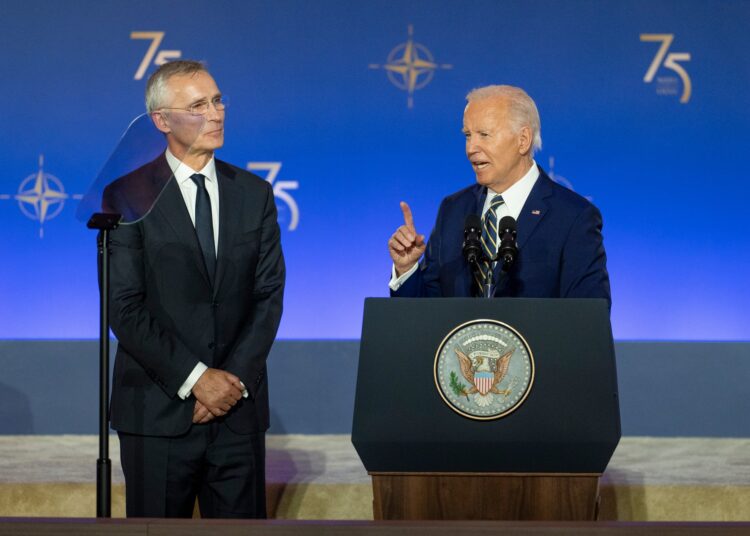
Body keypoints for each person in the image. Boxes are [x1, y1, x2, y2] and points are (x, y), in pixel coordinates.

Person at [103, 60, 285, 518]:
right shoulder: (127, 195)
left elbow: (268, 297)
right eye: (198, 105)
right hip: (158, 414)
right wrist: (196, 380)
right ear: (162, 121)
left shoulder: (254, 193)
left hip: (237, 415)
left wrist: (230, 381)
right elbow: (123, 307)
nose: (216, 113)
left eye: (218, 100)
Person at [388, 85, 610, 303]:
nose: (470, 148)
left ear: (523, 140)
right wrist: (406, 269)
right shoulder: (453, 209)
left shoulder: (573, 217)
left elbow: (588, 318)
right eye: (467, 135)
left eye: (484, 135)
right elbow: (426, 315)